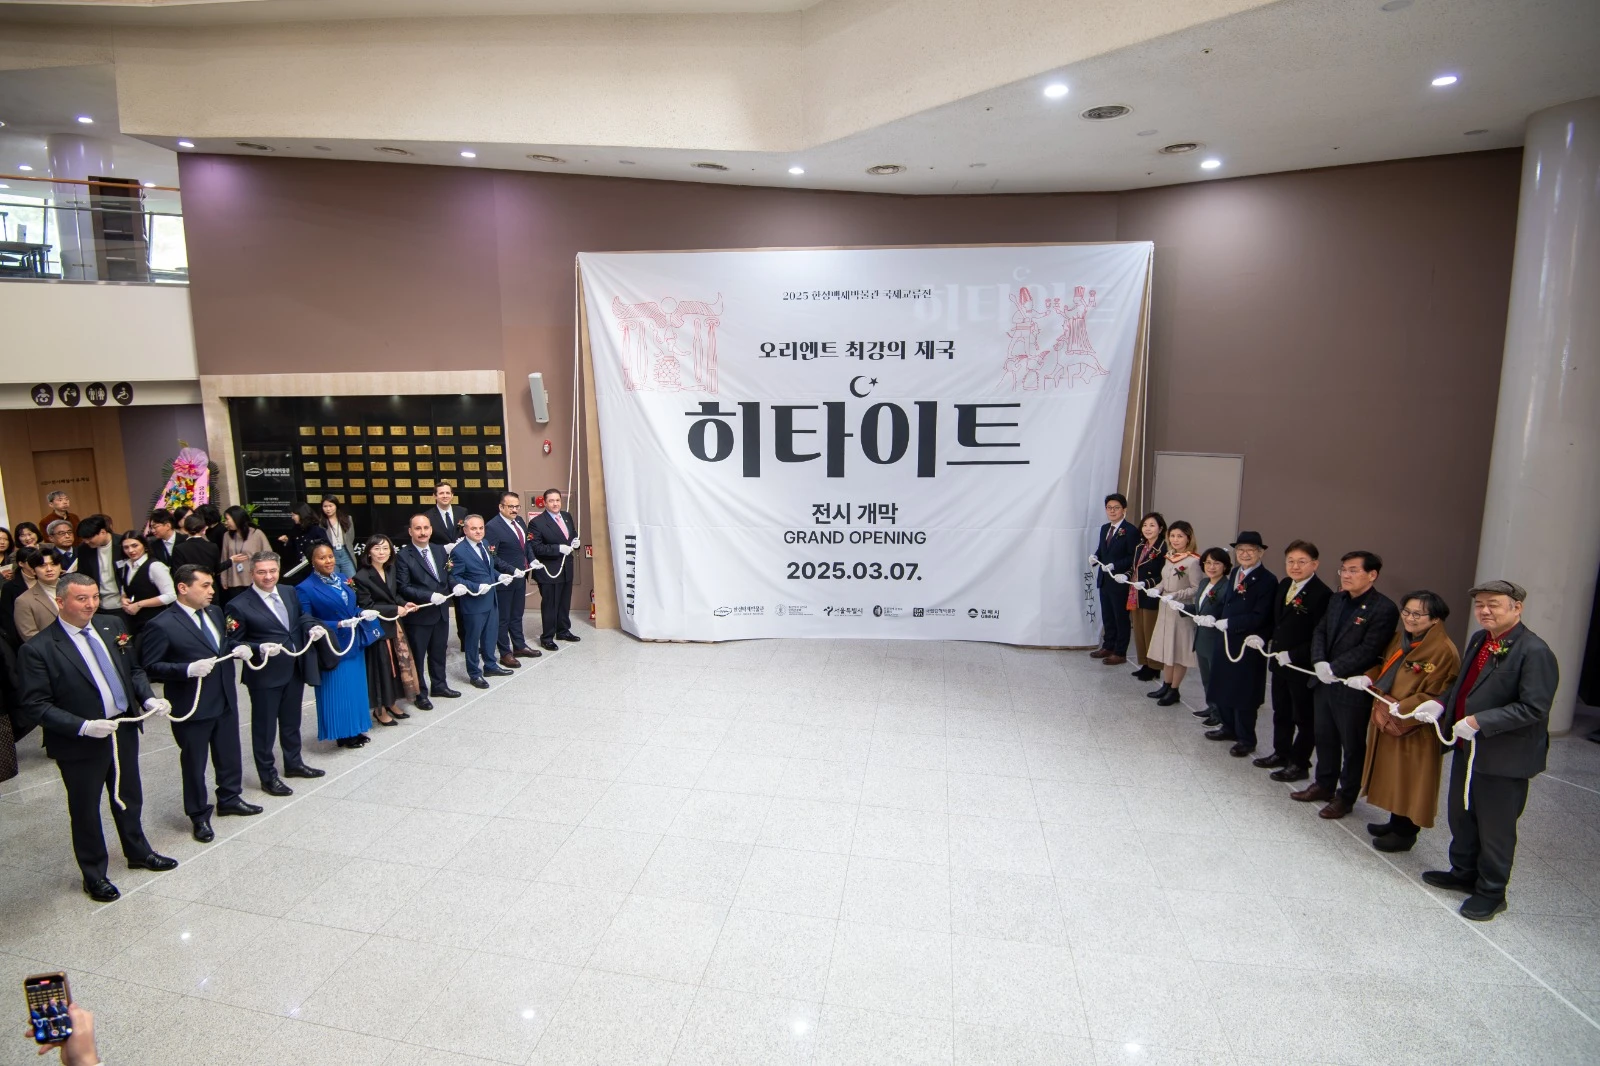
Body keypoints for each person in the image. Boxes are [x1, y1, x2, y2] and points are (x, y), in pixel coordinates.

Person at [17, 572, 178, 901]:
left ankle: (138, 851)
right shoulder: (39, 649)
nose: (90, 604)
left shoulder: (112, 626)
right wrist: (82, 725)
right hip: (79, 742)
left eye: (93, 597)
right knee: (86, 807)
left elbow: (132, 669)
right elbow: (35, 705)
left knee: (128, 794)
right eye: (81, 598)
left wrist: (146, 697)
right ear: (60, 602)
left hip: (123, 728)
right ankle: (94, 873)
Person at [1422, 580, 1559, 921]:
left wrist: (1480, 721)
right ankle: (1463, 871)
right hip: (1469, 746)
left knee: (1496, 827)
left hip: (1504, 755)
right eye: (1480, 604)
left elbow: (1534, 707)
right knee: (1461, 812)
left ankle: (1492, 891)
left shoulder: (1534, 651)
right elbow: (1465, 684)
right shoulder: (1481, 640)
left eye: (1493, 604)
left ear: (1517, 607)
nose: (1484, 610)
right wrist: (1441, 704)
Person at [140, 564, 264, 841]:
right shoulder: (161, 624)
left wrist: (242, 648)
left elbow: (223, 643)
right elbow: (150, 665)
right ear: (183, 588)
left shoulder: (216, 612)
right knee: (195, 762)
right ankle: (198, 814)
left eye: (211, 585)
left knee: (229, 751)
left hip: (223, 695)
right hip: (191, 704)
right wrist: (186, 669)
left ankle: (230, 798)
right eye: (205, 585)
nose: (212, 591)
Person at [1289, 551, 1399, 818]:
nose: (1346, 575)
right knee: (1324, 736)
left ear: (1372, 575)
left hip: (1352, 687)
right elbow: (1321, 631)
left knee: (1351, 744)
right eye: (1343, 570)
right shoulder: (1336, 599)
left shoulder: (1383, 608)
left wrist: (1334, 667)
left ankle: (1345, 796)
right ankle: (1324, 784)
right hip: (1323, 680)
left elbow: (1370, 648)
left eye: (1353, 570)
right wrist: (1318, 662)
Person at [1359, 590, 1461, 852]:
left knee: (1411, 777)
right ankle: (1395, 821)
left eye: (1418, 614)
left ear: (1435, 620)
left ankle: (1406, 832)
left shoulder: (1443, 650)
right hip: (1390, 715)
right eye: (1407, 611)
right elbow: (1383, 665)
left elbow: (1441, 691)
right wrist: (1369, 677)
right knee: (1394, 773)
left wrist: (1403, 706)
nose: (1410, 618)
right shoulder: (1402, 639)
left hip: (1415, 725)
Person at [224, 550, 326, 794]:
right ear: (251, 573)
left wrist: (312, 627)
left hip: (293, 667)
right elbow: (231, 643)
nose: (268, 576)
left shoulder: (289, 592)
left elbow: (302, 618)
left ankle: (294, 762)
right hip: (265, 674)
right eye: (261, 572)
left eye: (272, 571)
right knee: (265, 727)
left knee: (292, 721)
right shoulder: (237, 604)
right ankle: (267, 775)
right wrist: (258, 648)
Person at [1255, 540, 1334, 782]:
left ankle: (1300, 763)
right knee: (1281, 711)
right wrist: (1262, 636)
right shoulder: (1285, 584)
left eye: (1302, 562)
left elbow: (1320, 637)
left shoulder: (1323, 595)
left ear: (1315, 564)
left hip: (1302, 666)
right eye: (1291, 561)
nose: (1295, 566)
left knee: (1304, 717)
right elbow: (1275, 621)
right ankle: (1281, 752)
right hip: (1279, 663)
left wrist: (1294, 654)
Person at [1198, 531, 1277, 757]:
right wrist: (1214, 616)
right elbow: (1228, 603)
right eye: (1240, 550)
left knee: (1244, 691)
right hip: (1225, 639)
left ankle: (1245, 738)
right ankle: (1228, 726)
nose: (1245, 554)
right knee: (1223, 683)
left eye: (1250, 550)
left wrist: (1230, 623)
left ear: (1260, 552)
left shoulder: (1267, 580)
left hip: (1248, 643)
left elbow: (1261, 615)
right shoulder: (1235, 573)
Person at [297, 542, 383, 747]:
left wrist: (360, 613)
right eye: (322, 558)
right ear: (312, 561)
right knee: (337, 690)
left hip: (353, 640)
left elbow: (351, 606)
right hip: (332, 643)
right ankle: (342, 733)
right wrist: (337, 624)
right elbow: (305, 620)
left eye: (330, 556)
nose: (328, 561)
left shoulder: (343, 579)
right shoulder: (305, 588)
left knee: (355, 687)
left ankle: (356, 728)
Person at [353, 534, 422, 727]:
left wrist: (403, 603)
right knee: (381, 668)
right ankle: (379, 709)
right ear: (368, 552)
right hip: (376, 629)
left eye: (385, 548)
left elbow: (394, 595)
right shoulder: (362, 576)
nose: (381, 552)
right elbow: (367, 605)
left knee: (396, 666)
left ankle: (391, 703)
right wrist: (394, 609)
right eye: (377, 549)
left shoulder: (390, 569)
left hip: (393, 625)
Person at [394, 513, 458, 709]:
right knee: (419, 656)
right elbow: (403, 586)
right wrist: (428, 596)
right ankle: (420, 693)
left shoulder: (439, 551)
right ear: (410, 531)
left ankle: (439, 685)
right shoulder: (404, 556)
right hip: (420, 615)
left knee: (439, 652)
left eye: (426, 528)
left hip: (440, 612)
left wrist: (455, 586)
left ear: (431, 529)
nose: (423, 532)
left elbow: (447, 575)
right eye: (418, 529)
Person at [452, 515, 511, 687]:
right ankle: (474, 673)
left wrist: (500, 575)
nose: (478, 532)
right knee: (473, 639)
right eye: (474, 528)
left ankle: (490, 665)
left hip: (491, 598)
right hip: (474, 603)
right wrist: (475, 586)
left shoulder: (484, 544)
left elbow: (489, 569)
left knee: (490, 635)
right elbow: (455, 578)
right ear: (465, 530)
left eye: (481, 528)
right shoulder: (459, 551)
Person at [485, 490, 541, 667]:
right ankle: (505, 652)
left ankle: (519, 646)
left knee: (517, 614)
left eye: (517, 506)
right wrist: (511, 570)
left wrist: (532, 559)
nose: (515, 509)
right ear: (501, 506)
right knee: (504, 618)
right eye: (511, 506)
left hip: (520, 577)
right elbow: (492, 556)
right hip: (505, 579)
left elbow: (526, 545)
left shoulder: (519, 521)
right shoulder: (492, 527)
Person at [1146, 520, 1199, 706]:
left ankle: (1175, 689)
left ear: (1188, 538)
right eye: (1173, 536)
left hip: (1180, 609)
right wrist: (1158, 589)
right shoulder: (1169, 556)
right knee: (1166, 647)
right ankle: (1166, 684)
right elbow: (1163, 580)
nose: (1175, 540)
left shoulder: (1193, 561)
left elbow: (1196, 588)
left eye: (1180, 536)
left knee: (1179, 651)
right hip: (1165, 607)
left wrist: (1177, 595)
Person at [529, 488, 582, 651]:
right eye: (551, 501)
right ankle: (547, 637)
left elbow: (571, 535)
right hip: (549, 570)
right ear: (544, 503)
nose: (555, 503)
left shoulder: (566, 516)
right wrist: (558, 548)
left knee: (564, 602)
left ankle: (563, 630)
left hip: (566, 568)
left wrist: (576, 544)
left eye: (557, 500)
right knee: (550, 605)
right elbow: (536, 547)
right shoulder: (536, 523)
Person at [1091, 493, 1137, 665]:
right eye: (1109, 508)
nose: (1112, 511)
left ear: (1124, 510)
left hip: (1120, 580)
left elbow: (1133, 557)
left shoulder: (1131, 531)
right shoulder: (1105, 528)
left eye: (1116, 508)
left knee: (1121, 617)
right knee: (1107, 615)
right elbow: (1102, 550)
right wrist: (1095, 558)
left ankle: (1120, 651)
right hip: (1105, 579)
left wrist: (1115, 565)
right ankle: (1108, 645)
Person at [1188, 547, 1232, 725]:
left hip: (1216, 640)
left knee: (1218, 679)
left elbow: (1227, 612)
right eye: (1208, 563)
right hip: (1202, 639)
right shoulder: (1204, 583)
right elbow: (1200, 609)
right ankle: (1212, 706)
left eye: (1217, 563)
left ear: (1225, 566)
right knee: (1206, 678)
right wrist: (1180, 606)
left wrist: (1215, 618)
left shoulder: (1227, 587)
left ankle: (1220, 713)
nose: (1211, 567)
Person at [1126, 512, 1167, 683]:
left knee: (1151, 631)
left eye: (1152, 525)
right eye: (1145, 525)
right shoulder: (1140, 546)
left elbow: (1164, 575)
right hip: (1136, 593)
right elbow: (1134, 568)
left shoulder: (1164, 548)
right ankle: (1144, 663)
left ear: (1160, 528)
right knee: (1140, 631)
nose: (1147, 529)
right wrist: (1127, 576)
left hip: (1152, 593)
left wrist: (1147, 582)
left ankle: (1154, 666)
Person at [116, 531, 175, 637]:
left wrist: (140, 604)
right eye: (126, 547)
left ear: (145, 546)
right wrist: (123, 599)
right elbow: (126, 589)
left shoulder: (155, 566)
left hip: (156, 621)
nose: (131, 550)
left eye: (135, 546)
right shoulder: (125, 566)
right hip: (134, 622)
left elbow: (171, 595)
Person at [218, 505, 270, 606]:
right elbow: (224, 557)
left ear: (236, 518)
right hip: (234, 580)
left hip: (253, 579)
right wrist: (224, 578)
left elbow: (268, 555)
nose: (226, 522)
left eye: (228, 519)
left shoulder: (257, 534)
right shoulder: (227, 535)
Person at [15, 547, 69, 643]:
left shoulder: (76, 589)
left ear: (60, 567)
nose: (49, 569)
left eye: (54, 564)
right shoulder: (24, 601)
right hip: (53, 651)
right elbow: (30, 636)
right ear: (33, 571)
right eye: (42, 565)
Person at [72, 516, 122, 618]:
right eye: (84, 539)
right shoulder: (84, 549)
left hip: (124, 604)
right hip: (99, 607)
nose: (86, 542)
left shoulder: (123, 544)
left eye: (89, 538)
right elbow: (83, 574)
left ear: (103, 532)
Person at [276, 502, 331, 578]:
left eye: (294, 515)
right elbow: (293, 548)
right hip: (300, 569)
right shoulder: (295, 529)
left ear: (301, 514)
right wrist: (287, 541)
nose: (292, 518)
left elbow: (326, 548)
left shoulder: (316, 530)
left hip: (314, 569)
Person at [319, 496, 357, 578]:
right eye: (325, 506)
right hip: (331, 554)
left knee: (352, 580)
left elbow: (351, 537)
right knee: (333, 579)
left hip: (345, 552)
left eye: (330, 506)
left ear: (336, 506)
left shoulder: (347, 519)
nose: (328, 509)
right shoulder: (321, 523)